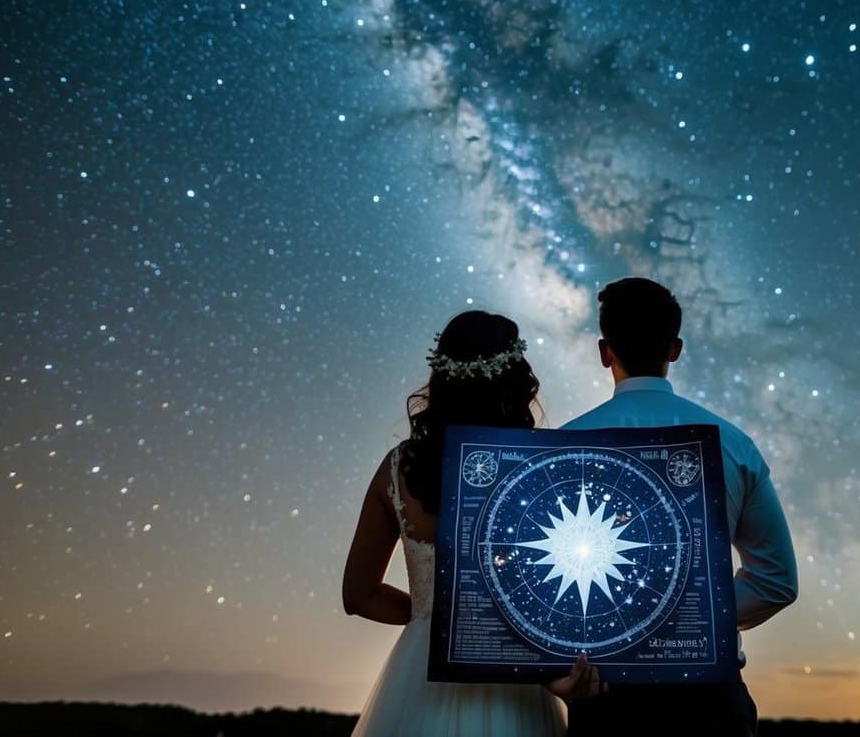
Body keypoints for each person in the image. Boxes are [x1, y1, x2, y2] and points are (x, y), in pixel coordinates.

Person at [342, 310, 601, 736]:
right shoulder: (537, 471)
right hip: (515, 676)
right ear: (514, 381)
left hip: (422, 675)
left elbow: (359, 595)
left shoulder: (397, 470)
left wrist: (435, 617)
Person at [561, 278, 799, 737]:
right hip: (708, 701)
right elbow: (777, 581)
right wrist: (692, 616)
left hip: (605, 698)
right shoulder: (733, 443)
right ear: (675, 349)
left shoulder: (560, 449)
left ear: (604, 350)